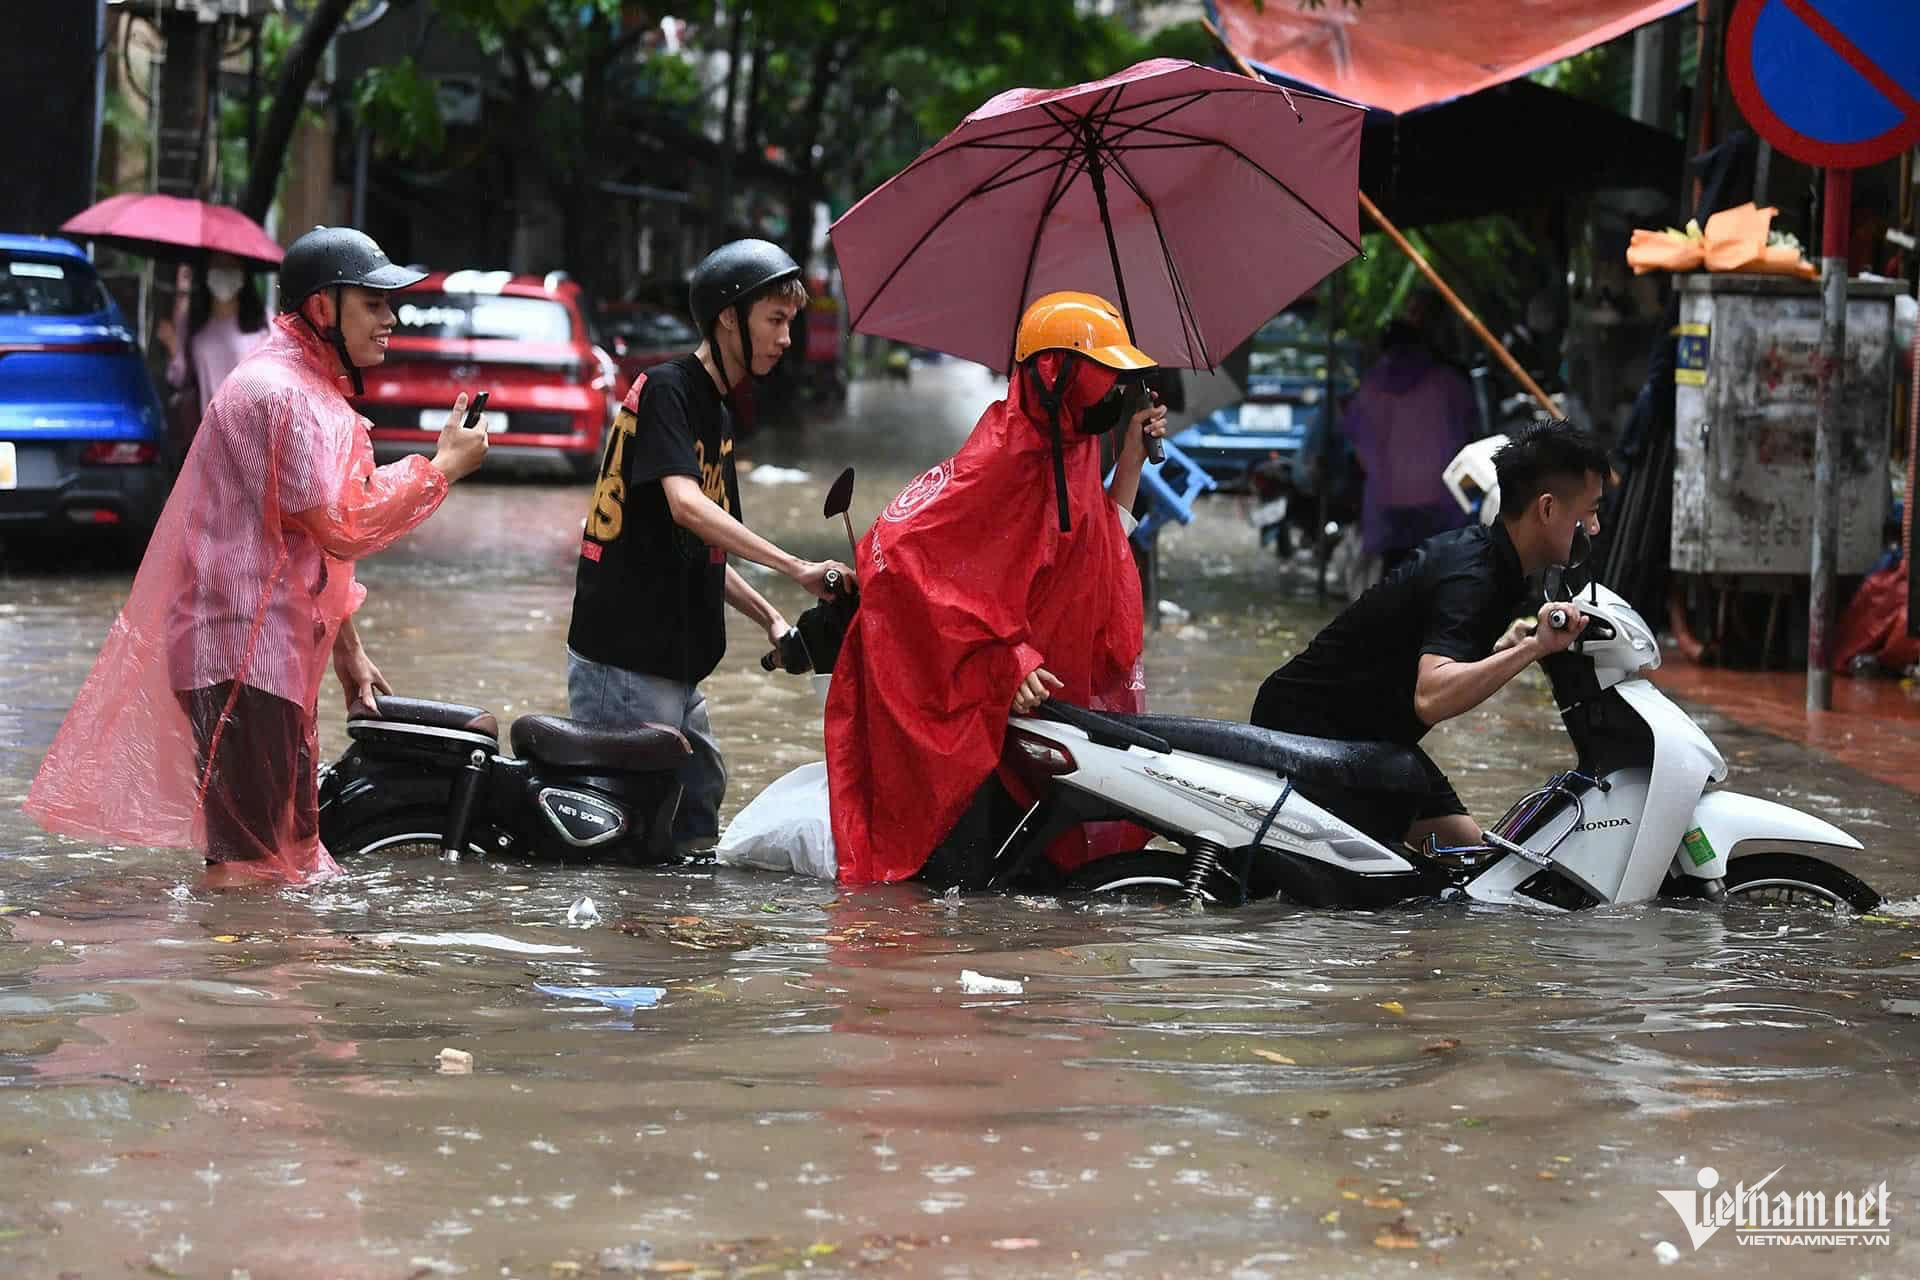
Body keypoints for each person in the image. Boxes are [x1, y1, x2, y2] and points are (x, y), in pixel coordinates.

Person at [26, 226, 490, 886]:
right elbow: (343, 524)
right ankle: (227, 954)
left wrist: (348, 650)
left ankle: (266, 953)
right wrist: (441, 469)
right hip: (243, 658)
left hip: (267, 656)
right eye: (373, 303)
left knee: (285, 854)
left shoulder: (306, 387)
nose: (390, 318)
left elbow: (307, 542)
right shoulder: (285, 395)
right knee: (247, 863)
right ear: (324, 307)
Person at [825, 291, 1169, 887]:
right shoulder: (1001, 459)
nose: (1115, 390)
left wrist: (1132, 457)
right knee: (954, 892)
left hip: (1038, 705)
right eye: (1105, 374)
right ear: (1055, 374)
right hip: (971, 707)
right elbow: (902, 565)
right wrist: (1006, 658)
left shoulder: (1077, 450)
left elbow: (1094, 554)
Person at [565, 239, 851, 851]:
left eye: (790, 323)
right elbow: (687, 506)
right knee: (627, 843)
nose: (786, 339)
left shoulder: (714, 412)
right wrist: (796, 566)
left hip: (672, 665)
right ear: (729, 318)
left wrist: (772, 619)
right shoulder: (668, 390)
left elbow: (704, 545)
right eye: (774, 320)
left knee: (698, 806)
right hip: (627, 662)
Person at [1250, 422, 1609, 850]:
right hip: (1309, 733)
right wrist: (1534, 648)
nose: (1595, 527)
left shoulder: (1495, 564)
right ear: (1547, 509)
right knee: (1435, 861)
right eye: (1590, 511)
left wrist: (1505, 649)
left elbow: (1425, 649)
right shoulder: (1473, 577)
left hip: (1365, 733)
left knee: (1472, 856)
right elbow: (1432, 696)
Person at [163, 252, 271, 428]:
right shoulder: (192, 322)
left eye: (231, 266)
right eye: (218, 265)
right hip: (208, 431)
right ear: (206, 271)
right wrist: (172, 346)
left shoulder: (264, 321)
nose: (224, 272)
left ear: (244, 273)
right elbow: (179, 377)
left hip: (254, 428)